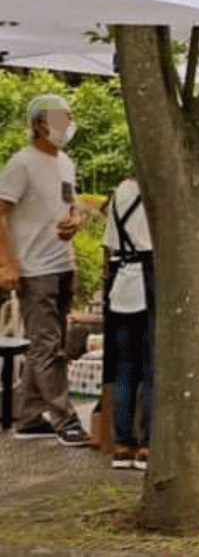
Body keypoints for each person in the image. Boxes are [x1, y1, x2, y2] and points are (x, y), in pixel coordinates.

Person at [0, 94, 90, 445]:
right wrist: (8, 264)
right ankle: (64, 417)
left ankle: (28, 417)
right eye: (62, 117)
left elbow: (71, 204)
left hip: (62, 262)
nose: (69, 123)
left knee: (54, 344)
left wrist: (76, 220)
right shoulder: (21, 164)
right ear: (40, 123)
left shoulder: (66, 162)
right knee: (46, 344)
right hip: (34, 267)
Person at [102, 174, 156, 470]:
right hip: (150, 284)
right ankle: (147, 443)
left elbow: (109, 247)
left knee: (124, 368)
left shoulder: (119, 192)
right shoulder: (159, 189)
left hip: (121, 284)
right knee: (150, 368)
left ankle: (122, 445)